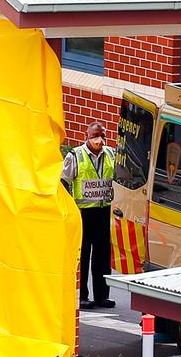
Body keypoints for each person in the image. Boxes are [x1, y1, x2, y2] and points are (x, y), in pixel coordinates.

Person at [61, 121, 116, 309]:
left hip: (103, 212)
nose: (98, 140)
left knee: (102, 256)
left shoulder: (111, 154)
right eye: (94, 136)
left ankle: (102, 296)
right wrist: (70, 207)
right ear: (87, 136)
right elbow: (63, 181)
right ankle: (82, 296)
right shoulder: (75, 155)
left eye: (101, 136)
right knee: (83, 257)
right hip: (83, 213)